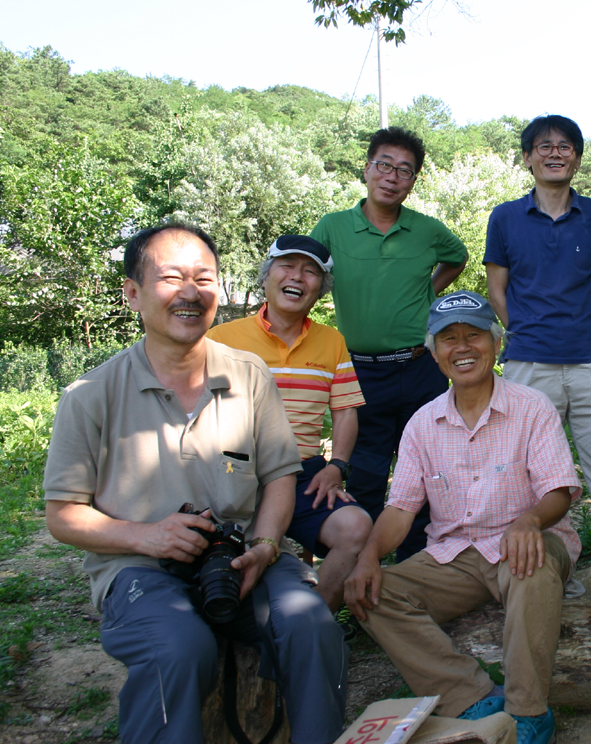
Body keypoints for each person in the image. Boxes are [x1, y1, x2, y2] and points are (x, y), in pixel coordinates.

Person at [43, 224, 347, 744]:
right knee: (178, 649)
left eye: (204, 279)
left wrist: (265, 546)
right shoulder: (91, 394)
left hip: (239, 559)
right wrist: (146, 537)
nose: (190, 293)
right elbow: (63, 515)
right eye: (171, 278)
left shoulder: (249, 375)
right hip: (139, 567)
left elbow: (279, 476)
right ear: (133, 292)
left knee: (312, 626)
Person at [345, 290, 581, 744]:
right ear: (435, 355)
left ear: (495, 344)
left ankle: (528, 712)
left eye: (474, 335)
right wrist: (369, 555)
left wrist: (529, 521)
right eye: (449, 339)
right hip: (456, 555)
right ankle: (471, 696)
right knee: (374, 592)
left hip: (528, 541)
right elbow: (400, 510)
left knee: (528, 565)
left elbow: (558, 491)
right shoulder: (421, 423)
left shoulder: (531, 406)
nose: (463, 347)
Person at [483, 114, 591, 637]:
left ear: (577, 157)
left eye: (566, 146)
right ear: (527, 157)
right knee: (535, 489)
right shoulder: (505, 218)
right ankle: (557, 587)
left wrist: (584, 337)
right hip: (528, 367)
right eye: (544, 145)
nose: (555, 153)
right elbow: (498, 291)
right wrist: (527, 336)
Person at [311, 126, 468, 559]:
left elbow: (458, 257)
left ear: (413, 180)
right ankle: (360, 569)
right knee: (364, 473)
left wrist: (428, 293)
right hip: (359, 372)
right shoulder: (333, 227)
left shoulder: (428, 230)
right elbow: (305, 271)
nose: (393, 176)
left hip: (422, 368)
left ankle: (417, 568)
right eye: (385, 165)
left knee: (428, 471)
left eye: (405, 170)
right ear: (366, 169)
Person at [208, 234, 372, 612]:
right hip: (233, 471)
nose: (297, 277)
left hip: (304, 475)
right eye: (287, 266)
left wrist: (337, 467)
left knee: (356, 528)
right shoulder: (220, 339)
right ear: (266, 277)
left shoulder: (331, 341)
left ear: (320, 290)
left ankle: (314, 620)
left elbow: (345, 410)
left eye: (311, 271)